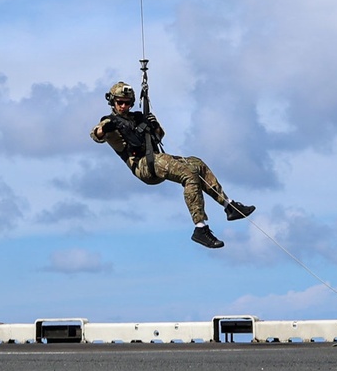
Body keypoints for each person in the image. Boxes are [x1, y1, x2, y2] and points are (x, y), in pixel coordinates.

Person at [90, 80, 255, 248]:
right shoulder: (110, 122)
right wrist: (105, 129)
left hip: (156, 158)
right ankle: (200, 227)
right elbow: (96, 135)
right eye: (120, 102)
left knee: (196, 164)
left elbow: (159, 136)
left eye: (127, 103)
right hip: (143, 165)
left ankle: (229, 206)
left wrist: (153, 125)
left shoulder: (138, 117)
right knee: (188, 173)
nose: (123, 106)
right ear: (113, 102)